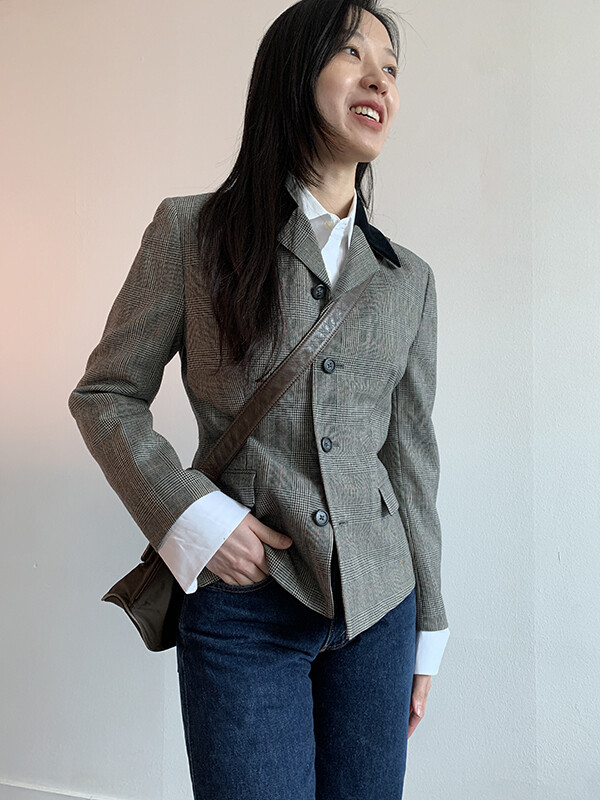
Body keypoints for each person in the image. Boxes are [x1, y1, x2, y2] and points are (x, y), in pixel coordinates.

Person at [68, 0, 450, 797]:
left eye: (390, 66)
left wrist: (429, 627)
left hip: (380, 611)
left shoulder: (408, 280)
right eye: (352, 54)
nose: (379, 78)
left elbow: (411, 461)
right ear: (292, 73)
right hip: (245, 609)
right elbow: (106, 395)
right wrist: (196, 520)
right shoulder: (191, 233)